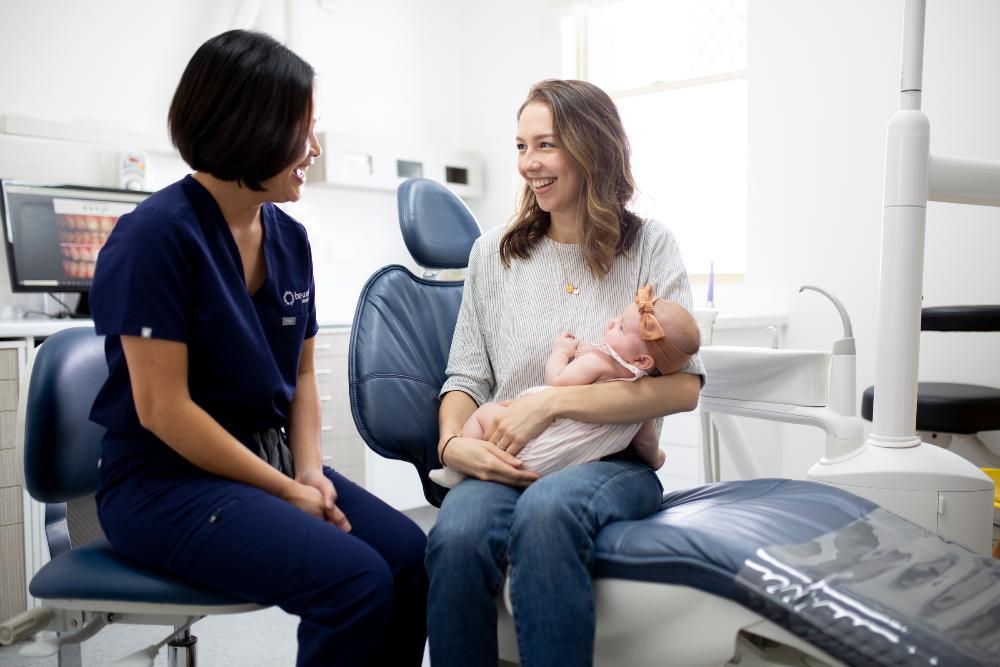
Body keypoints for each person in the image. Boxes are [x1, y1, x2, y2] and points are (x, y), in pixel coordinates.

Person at [88, 30, 426, 667]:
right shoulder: (155, 238)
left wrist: (307, 472)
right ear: (251, 128)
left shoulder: (289, 238)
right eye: (303, 132)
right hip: (164, 485)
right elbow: (163, 409)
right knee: (353, 582)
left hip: (265, 464)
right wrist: (283, 488)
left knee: (408, 557)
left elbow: (300, 371)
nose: (314, 151)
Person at [425, 79, 705, 666]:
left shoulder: (649, 246)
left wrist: (551, 404)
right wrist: (453, 446)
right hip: (510, 458)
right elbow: (465, 377)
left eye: (545, 145)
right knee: (456, 535)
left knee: (550, 513)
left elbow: (682, 388)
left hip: (610, 463)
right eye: (521, 147)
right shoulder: (494, 253)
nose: (529, 163)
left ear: (590, 147)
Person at [429, 284, 700, 488]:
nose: (611, 322)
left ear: (642, 359)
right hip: (571, 463)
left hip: (531, 448)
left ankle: (462, 466)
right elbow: (646, 441)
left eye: (620, 328)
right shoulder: (642, 403)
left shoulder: (598, 361)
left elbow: (558, 381)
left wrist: (560, 352)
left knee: (487, 411)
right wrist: (655, 457)